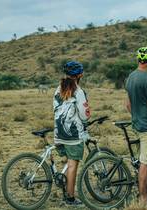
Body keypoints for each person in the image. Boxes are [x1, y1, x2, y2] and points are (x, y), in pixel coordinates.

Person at [125, 47, 147, 205]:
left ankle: (143, 193)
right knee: (145, 164)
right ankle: (143, 199)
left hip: (136, 125)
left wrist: (136, 116)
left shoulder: (130, 77)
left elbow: (127, 104)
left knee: (141, 161)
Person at [53, 61, 91, 206]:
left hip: (59, 132)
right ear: (80, 75)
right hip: (73, 135)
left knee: (68, 162)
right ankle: (70, 198)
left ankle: (65, 188)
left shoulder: (58, 89)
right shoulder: (79, 91)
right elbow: (84, 115)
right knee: (72, 165)